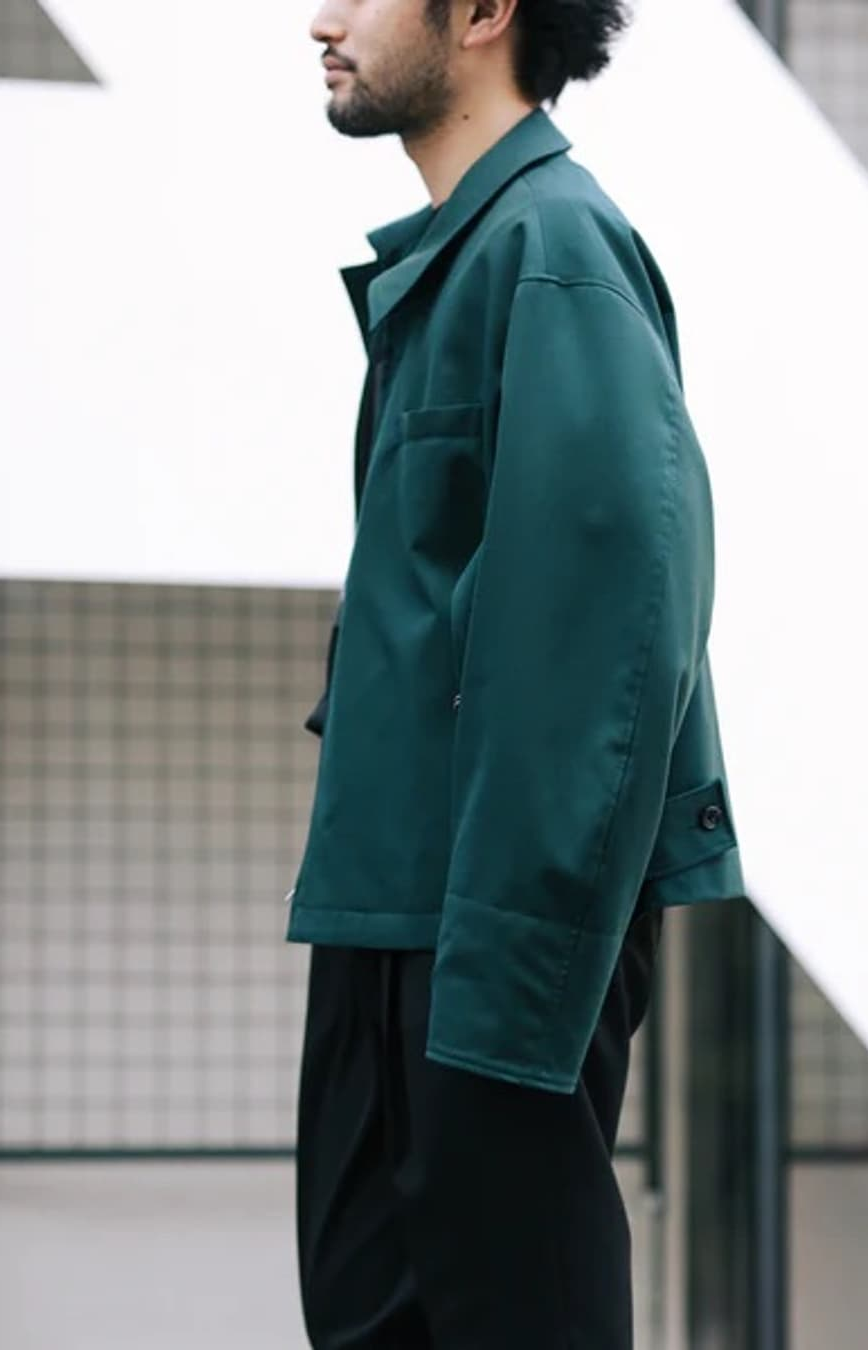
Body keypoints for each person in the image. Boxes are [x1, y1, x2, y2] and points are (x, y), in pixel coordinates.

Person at [289, 2, 747, 1346]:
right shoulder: (470, 256)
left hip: (485, 939)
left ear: (486, 12)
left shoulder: (556, 250)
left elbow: (612, 636)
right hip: (387, 913)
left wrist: (513, 984)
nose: (320, 19)